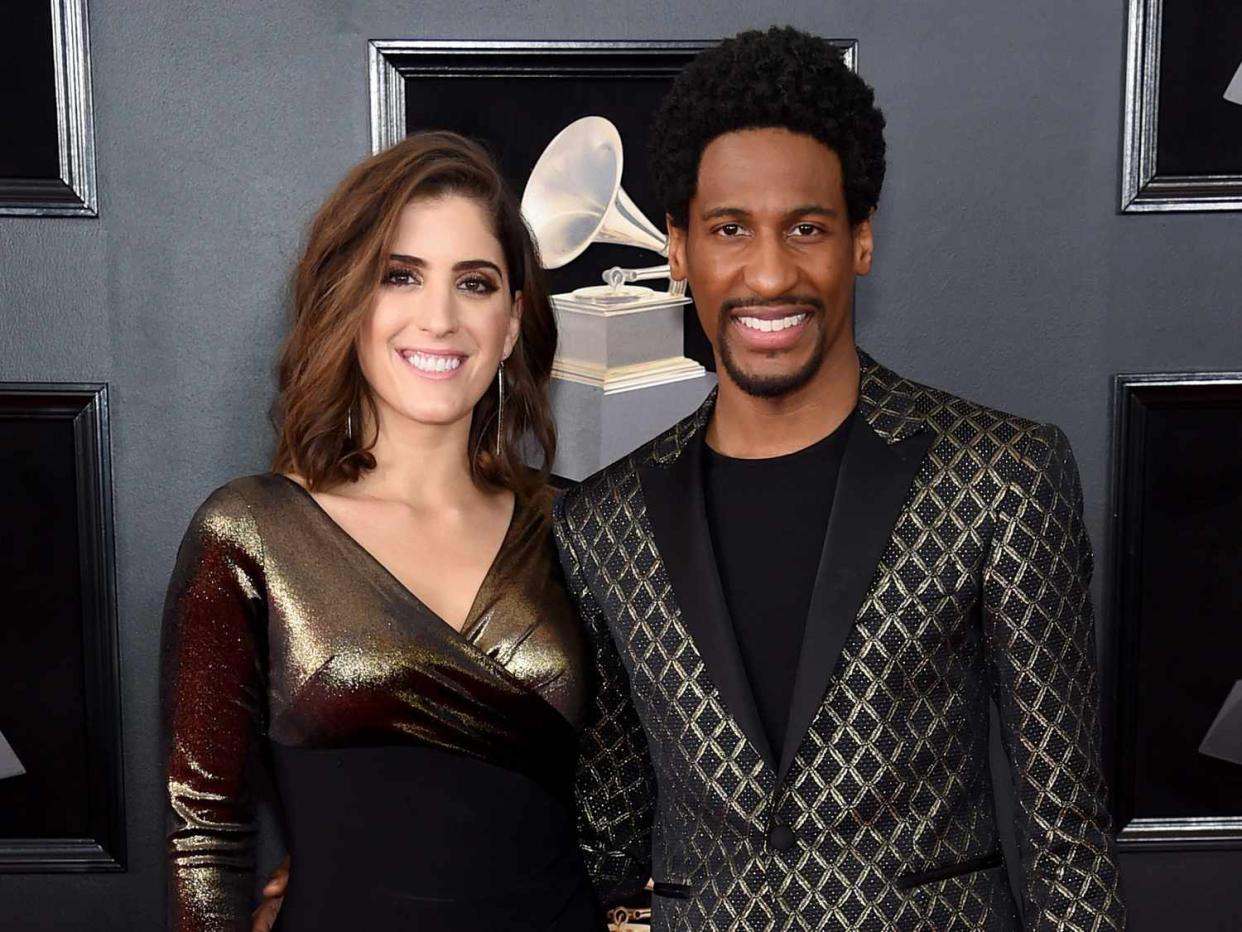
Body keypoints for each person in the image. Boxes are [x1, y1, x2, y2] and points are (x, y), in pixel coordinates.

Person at [556, 27, 1126, 930]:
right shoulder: (601, 524)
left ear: (860, 241)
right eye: (730, 229)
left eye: (808, 228)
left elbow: (1067, 839)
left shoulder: (1003, 478)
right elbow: (610, 839)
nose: (771, 273)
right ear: (678, 248)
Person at [161, 132, 604, 931]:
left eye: (475, 283)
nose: (439, 317)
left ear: (510, 326)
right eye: (400, 276)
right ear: (350, 303)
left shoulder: (579, 529)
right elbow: (207, 837)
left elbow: (641, 800)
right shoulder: (250, 533)